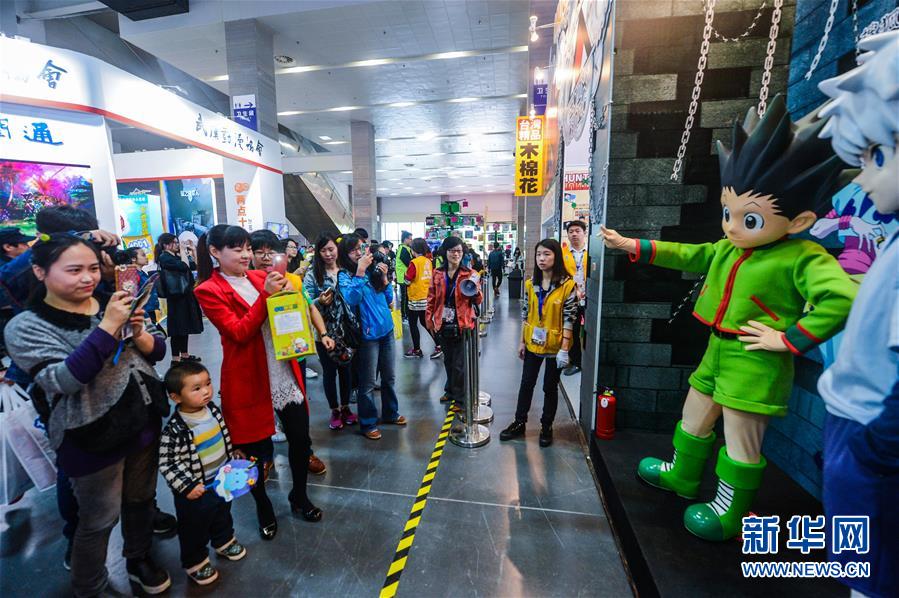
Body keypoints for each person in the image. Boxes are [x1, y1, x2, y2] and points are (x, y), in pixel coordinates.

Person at [601, 94, 857, 542]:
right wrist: (634, 246)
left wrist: (790, 339)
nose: (732, 226)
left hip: (755, 360)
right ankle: (682, 474)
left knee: (741, 437)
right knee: (694, 413)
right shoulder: (729, 247)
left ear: (798, 220)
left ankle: (728, 509)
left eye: (749, 218)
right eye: (728, 212)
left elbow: (842, 299)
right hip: (717, 348)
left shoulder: (804, 256)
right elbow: (692, 253)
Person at [6, 234, 172, 596]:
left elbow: (156, 351)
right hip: (90, 436)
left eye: (94, 268)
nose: (88, 278)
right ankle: (90, 585)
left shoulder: (106, 302)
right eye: (74, 270)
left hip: (143, 422)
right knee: (98, 520)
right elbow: (64, 380)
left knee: (141, 500)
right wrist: (109, 327)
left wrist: (141, 333)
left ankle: (138, 557)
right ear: (39, 271)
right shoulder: (26, 327)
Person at [814, 31, 899, 597]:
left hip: (870, 435)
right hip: (856, 428)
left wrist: (872, 451)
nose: (864, 178)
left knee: (870, 580)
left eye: (877, 156)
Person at [194, 225, 323, 544]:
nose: (246, 255)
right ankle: (263, 506)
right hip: (249, 378)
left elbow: (286, 312)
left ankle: (300, 496)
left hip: (283, 370)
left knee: (300, 440)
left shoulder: (256, 279)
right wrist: (267, 294)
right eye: (237, 249)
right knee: (256, 454)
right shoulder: (208, 290)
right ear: (215, 253)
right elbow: (238, 332)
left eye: (247, 248)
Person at [248, 229, 329, 475]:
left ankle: (305, 452)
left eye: (269, 252)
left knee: (298, 410)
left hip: (294, 354)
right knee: (261, 410)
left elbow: (307, 307)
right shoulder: (246, 284)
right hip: (259, 356)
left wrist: (322, 334)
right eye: (258, 252)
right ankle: (263, 457)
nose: (264, 257)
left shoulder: (293, 280)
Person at [159, 362, 247, 586]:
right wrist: (187, 486)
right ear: (176, 397)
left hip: (220, 480)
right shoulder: (176, 429)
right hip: (195, 490)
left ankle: (224, 541)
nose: (206, 391)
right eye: (196, 388)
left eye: (207, 384)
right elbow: (168, 463)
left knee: (222, 513)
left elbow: (222, 435)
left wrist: (233, 453)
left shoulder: (213, 411)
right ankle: (195, 562)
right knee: (193, 527)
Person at [500, 239, 577, 448]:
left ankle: (546, 426)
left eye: (547, 254)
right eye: (539, 255)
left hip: (555, 347)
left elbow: (570, 318)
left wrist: (564, 349)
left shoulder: (567, 285)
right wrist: (522, 342)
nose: (542, 259)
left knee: (549, 387)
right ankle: (519, 422)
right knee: (526, 384)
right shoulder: (530, 284)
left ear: (556, 257)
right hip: (533, 343)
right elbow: (526, 314)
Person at [337, 233, 405, 440]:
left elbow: (389, 299)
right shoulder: (345, 275)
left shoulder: (372, 270)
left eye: (361, 247)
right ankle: (367, 423)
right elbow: (351, 299)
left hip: (386, 328)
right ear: (346, 255)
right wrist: (360, 271)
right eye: (354, 250)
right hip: (367, 335)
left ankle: (391, 413)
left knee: (390, 377)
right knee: (367, 383)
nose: (360, 252)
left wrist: (384, 279)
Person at [304, 233, 358, 430]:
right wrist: (320, 301)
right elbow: (307, 301)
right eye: (324, 250)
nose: (328, 254)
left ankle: (345, 407)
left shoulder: (347, 270)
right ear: (318, 253)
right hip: (324, 332)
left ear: (337, 250)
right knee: (329, 372)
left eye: (331, 249)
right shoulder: (313, 274)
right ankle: (334, 409)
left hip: (346, 330)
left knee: (346, 370)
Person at [425, 236, 482, 411]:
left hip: (462, 322)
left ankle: (460, 399)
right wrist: (429, 319)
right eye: (452, 250)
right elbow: (431, 297)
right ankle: (449, 391)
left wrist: (475, 289)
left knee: (459, 364)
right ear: (445, 252)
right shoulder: (437, 273)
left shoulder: (469, 273)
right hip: (442, 322)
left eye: (459, 250)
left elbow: (479, 300)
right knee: (448, 360)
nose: (456, 254)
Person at [156, 233, 203, 362]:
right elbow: (184, 266)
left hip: (185, 294)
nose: (178, 245)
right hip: (176, 297)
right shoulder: (164, 258)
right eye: (175, 242)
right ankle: (175, 359)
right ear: (166, 245)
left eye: (178, 242)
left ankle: (185, 355)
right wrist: (183, 251)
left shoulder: (177, 256)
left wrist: (193, 251)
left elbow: (196, 266)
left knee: (184, 326)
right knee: (177, 328)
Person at [0, 227, 35, 360]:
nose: (27, 246)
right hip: (11, 324)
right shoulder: (7, 271)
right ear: (8, 246)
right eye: (24, 243)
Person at [404, 238, 441, 359]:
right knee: (426, 323)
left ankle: (416, 349)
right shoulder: (428, 261)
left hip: (415, 298)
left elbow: (407, 279)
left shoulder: (414, 262)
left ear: (413, 249)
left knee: (413, 324)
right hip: (426, 296)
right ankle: (439, 345)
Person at [562, 220, 588, 376]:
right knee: (572, 329)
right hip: (571, 298)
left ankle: (589, 360)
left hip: (590, 298)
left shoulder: (591, 251)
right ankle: (576, 362)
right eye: (571, 231)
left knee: (590, 331)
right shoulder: (563, 253)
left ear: (584, 232)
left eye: (577, 231)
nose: (574, 234)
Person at [124, 247, 162, 331]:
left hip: (149, 310)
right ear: (133, 258)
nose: (146, 257)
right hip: (143, 313)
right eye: (143, 255)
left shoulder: (142, 273)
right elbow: (134, 298)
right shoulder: (132, 275)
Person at [395, 231, 414, 320]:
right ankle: (404, 315)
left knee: (406, 296)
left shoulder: (405, 248)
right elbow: (408, 263)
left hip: (404, 276)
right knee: (405, 297)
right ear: (405, 239)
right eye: (410, 239)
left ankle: (405, 314)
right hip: (403, 277)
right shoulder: (403, 249)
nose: (411, 240)